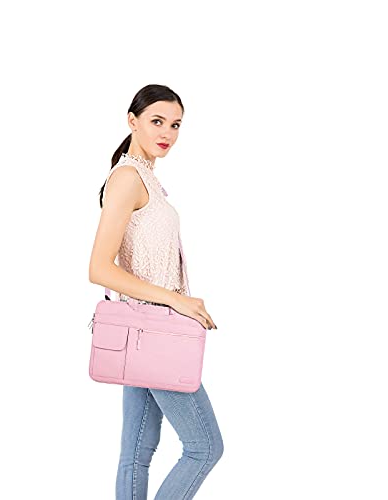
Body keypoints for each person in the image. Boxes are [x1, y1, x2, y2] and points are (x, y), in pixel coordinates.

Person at [88, 84, 224, 499]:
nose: (167, 133)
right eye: (157, 121)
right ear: (133, 121)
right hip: (155, 333)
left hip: (146, 333)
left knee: (136, 454)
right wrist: (176, 299)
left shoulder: (146, 178)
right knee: (205, 447)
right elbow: (99, 268)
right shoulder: (127, 178)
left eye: (176, 125)